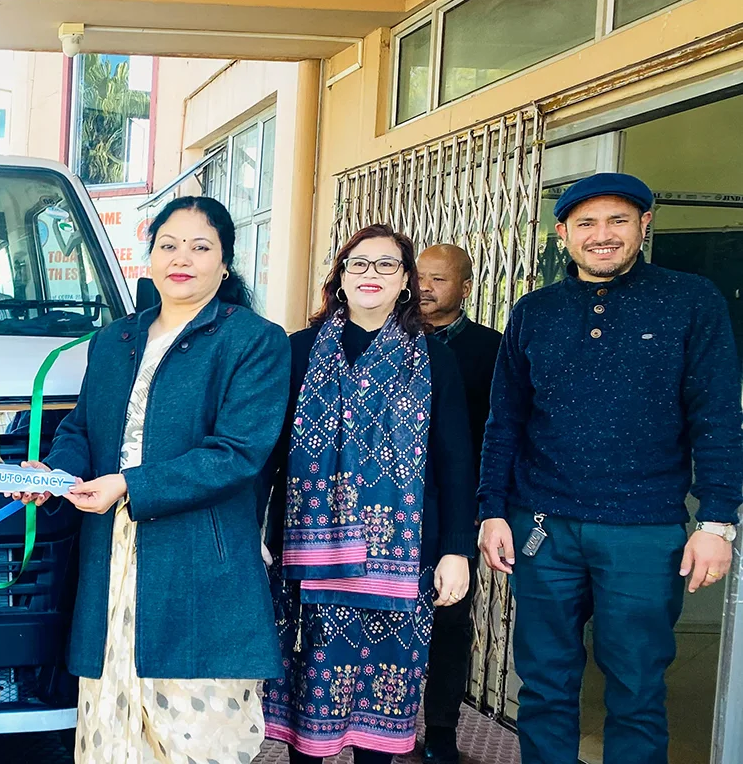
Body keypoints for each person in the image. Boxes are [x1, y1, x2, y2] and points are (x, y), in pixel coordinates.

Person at [14, 196, 291, 763]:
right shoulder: (114, 341)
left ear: (225, 263)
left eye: (200, 246)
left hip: (200, 564)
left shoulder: (255, 341)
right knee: (112, 737)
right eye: (168, 245)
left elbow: (238, 454)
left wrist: (129, 486)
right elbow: (82, 428)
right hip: (110, 557)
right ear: (150, 257)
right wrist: (57, 474)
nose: (181, 258)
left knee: (198, 738)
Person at [478, 172, 742, 764]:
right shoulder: (535, 310)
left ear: (645, 225)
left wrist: (718, 520)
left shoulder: (690, 300)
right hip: (542, 526)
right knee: (543, 687)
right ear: (563, 233)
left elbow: (718, 416)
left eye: (618, 220)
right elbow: (506, 421)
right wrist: (491, 510)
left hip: (645, 530)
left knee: (637, 689)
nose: (603, 235)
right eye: (587, 223)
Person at [264, 224, 477, 764]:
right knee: (309, 683)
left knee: (383, 693)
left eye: (386, 264)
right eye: (359, 264)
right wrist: (252, 529)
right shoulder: (297, 351)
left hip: (401, 557)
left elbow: (455, 460)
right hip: (307, 553)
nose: (371, 275)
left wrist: (457, 549)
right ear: (340, 277)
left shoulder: (433, 358)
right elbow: (269, 453)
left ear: (405, 280)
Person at [415, 243, 502, 764]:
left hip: (454, 508)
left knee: (447, 619)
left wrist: (485, 504)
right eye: (418, 276)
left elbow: (499, 433)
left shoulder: (491, 351)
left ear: (465, 287)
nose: (424, 287)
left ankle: (442, 730)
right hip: (384, 507)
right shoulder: (389, 341)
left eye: (439, 279)